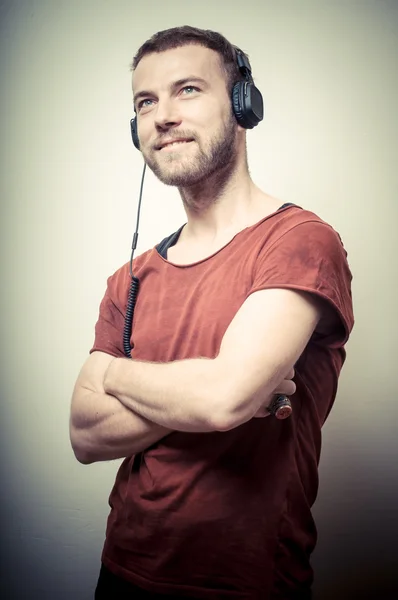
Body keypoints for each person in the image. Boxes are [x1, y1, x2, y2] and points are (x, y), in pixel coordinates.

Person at [69, 25, 354, 600]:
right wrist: (216, 391)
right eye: (145, 102)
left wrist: (114, 376)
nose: (163, 116)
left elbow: (225, 399)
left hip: (245, 584)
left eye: (188, 90)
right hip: (122, 567)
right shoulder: (130, 278)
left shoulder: (298, 242)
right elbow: (84, 435)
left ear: (243, 105)